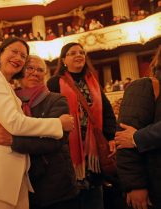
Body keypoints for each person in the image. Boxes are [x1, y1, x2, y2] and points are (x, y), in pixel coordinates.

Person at [0, 37, 74, 209]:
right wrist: (57, 124)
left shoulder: (52, 99)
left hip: (41, 180)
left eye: (23, 55)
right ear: (0, 53)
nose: (19, 58)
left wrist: (11, 140)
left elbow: (55, 141)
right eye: (14, 52)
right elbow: (13, 122)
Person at [47, 42, 116, 209]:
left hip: (93, 151)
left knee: (95, 199)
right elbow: (48, 113)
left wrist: (111, 137)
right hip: (68, 149)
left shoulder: (92, 82)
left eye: (81, 52)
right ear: (63, 60)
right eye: (72, 53)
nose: (78, 55)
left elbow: (107, 112)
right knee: (72, 199)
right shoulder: (54, 83)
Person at [115, 45, 161, 209]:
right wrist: (135, 185)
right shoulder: (144, 86)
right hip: (154, 185)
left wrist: (137, 137)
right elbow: (124, 139)